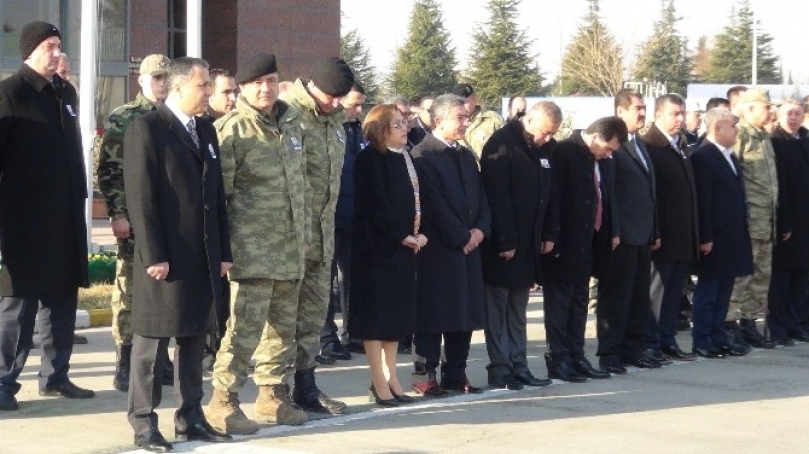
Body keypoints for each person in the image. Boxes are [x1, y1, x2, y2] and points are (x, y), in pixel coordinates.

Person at [123, 57, 233, 451]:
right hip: (165, 257)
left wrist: (223, 251)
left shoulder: (205, 130)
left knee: (193, 335)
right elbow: (141, 196)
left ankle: (191, 416)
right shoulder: (147, 127)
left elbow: (215, 196)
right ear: (179, 87)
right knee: (151, 343)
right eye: (203, 85)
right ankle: (143, 423)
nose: (208, 93)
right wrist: (154, 253)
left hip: (201, 255)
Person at [203, 54, 311, 433]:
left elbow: (303, 185)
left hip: (289, 248)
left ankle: (271, 396)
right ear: (244, 89)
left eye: (270, 80)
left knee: (283, 330)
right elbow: (219, 197)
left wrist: (305, 239)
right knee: (244, 330)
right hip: (251, 251)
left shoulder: (292, 124)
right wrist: (225, 252)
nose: (265, 88)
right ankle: (223, 401)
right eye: (256, 83)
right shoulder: (232, 130)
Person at [0, 21, 94, 412]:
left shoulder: (64, 92)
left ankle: (56, 376)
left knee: (61, 298)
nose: (57, 53)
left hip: (64, 214)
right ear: (29, 51)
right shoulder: (9, 93)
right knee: (17, 305)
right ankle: (4, 381)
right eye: (50, 46)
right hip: (23, 220)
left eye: (59, 45)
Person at [280, 57, 354, 415]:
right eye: (331, 96)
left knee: (312, 317)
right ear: (313, 86)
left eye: (341, 98)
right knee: (281, 320)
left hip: (324, 235)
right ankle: (274, 393)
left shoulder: (335, 120)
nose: (337, 103)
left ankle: (306, 388)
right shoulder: (288, 115)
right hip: (291, 237)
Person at [97, 53, 172, 392]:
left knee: (165, 287)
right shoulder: (125, 118)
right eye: (157, 78)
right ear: (141, 80)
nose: (162, 84)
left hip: (167, 219)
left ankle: (160, 358)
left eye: (167, 78)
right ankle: (125, 359)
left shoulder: (175, 116)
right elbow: (110, 170)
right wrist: (118, 213)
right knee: (129, 288)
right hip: (134, 218)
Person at [410, 94, 491, 396]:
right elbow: (432, 204)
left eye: (466, 117)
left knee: (463, 314)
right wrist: (461, 236)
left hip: (469, 248)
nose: (465, 122)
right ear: (439, 120)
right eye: (459, 117)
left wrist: (481, 230)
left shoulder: (466, 155)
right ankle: (425, 374)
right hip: (439, 249)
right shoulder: (423, 155)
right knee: (433, 314)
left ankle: (456, 373)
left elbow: (482, 197)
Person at [480, 101, 561, 389]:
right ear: (531, 120)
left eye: (552, 134)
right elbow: (496, 196)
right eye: (545, 132)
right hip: (504, 245)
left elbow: (550, 194)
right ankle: (499, 366)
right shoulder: (503, 143)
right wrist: (506, 238)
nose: (548, 139)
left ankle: (519, 364)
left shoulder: (544, 150)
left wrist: (550, 233)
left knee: (518, 309)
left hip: (529, 245)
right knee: (497, 310)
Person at [349, 104, 425, 406]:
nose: (405, 128)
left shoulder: (405, 157)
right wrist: (400, 234)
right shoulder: (370, 159)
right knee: (376, 319)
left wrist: (422, 230)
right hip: (376, 250)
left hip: (404, 249)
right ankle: (378, 382)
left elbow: (418, 198)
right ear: (381, 128)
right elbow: (375, 205)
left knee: (395, 319)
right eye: (397, 124)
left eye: (405, 122)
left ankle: (393, 379)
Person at [596, 90, 662, 371]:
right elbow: (609, 191)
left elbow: (649, 191)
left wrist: (655, 229)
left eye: (644, 108)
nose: (643, 113)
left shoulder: (640, 144)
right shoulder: (614, 145)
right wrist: (615, 230)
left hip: (643, 234)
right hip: (620, 235)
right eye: (637, 108)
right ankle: (611, 352)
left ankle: (634, 348)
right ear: (620, 112)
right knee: (616, 297)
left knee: (638, 296)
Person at [689, 108, 753, 358]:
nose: (736, 130)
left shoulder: (729, 155)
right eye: (732, 126)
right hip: (714, 237)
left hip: (732, 235)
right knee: (709, 290)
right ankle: (702, 339)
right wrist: (705, 236)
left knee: (724, 290)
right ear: (718, 128)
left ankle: (717, 336)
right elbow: (703, 201)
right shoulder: (703, 156)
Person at [642, 93, 699, 362]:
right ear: (659, 115)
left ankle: (667, 340)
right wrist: (656, 231)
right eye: (674, 114)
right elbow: (652, 196)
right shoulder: (650, 145)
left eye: (682, 113)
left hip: (682, 235)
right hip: (662, 237)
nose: (680, 119)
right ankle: (651, 342)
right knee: (656, 293)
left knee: (674, 293)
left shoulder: (682, 144)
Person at [727, 88, 779, 350]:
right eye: (766, 107)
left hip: (766, 220)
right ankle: (731, 324)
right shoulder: (742, 135)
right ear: (749, 109)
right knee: (742, 276)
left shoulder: (764, 137)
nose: (770, 112)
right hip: (748, 219)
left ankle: (749, 321)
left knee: (761, 277)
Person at [321, 82, 367, 361]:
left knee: (352, 277)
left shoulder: (358, 131)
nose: (358, 110)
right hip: (331, 217)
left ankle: (353, 332)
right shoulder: (329, 129)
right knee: (325, 281)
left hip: (355, 218)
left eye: (362, 104)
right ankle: (326, 337)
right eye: (353, 104)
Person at [767, 99, 809, 345]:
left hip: (806, 222)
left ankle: (797, 323)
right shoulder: (775, 142)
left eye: (798, 114)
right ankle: (778, 326)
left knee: (801, 277)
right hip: (787, 222)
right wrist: (784, 222)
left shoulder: (804, 141)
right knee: (782, 279)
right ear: (780, 115)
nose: (793, 118)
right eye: (789, 113)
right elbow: (778, 187)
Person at [454, 83, 505, 159]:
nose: (462, 106)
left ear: (475, 99)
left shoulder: (493, 119)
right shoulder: (451, 122)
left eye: (465, 102)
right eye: (458, 103)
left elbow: (507, 147)